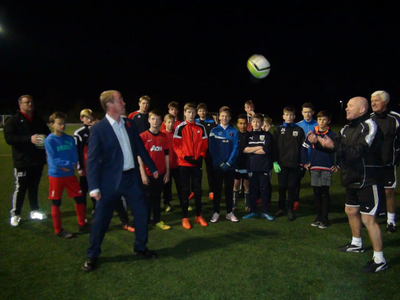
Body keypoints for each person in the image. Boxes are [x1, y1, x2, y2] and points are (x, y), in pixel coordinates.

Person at [309, 96, 387, 273]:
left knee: (368, 219)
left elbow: (358, 151)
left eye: (350, 106)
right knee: (351, 211)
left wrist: (334, 146)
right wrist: (319, 143)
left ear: (362, 109)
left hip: (367, 179)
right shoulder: (345, 128)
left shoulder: (369, 126)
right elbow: (336, 146)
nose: (346, 109)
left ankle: (380, 259)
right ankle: (356, 243)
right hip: (351, 179)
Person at [83, 90, 158, 272]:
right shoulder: (99, 129)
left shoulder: (130, 124)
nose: (124, 102)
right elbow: (91, 160)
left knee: (141, 214)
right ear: (110, 105)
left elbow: (140, 148)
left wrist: (152, 167)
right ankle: (92, 255)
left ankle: (141, 247)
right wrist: (93, 187)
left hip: (131, 179)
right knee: (101, 219)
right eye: (120, 100)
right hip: (109, 183)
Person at [4, 95, 50, 226]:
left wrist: (43, 140)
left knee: (34, 188)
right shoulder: (13, 121)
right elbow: (9, 138)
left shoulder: (38, 120)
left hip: (38, 160)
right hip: (22, 161)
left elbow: (47, 134)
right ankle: (15, 214)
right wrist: (29, 139)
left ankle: (34, 211)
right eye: (27, 102)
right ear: (20, 105)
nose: (30, 104)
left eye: (31, 102)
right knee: (21, 188)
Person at [44, 112, 89, 238]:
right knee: (56, 202)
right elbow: (53, 160)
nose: (62, 126)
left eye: (64, 123)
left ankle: (82, 224)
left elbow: (75, 155)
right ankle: (58, 230)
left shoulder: (69, 139)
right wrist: (69, 165)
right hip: (56, 175)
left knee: (79, 198)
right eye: (59, 123)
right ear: (52, 125)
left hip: (69, 175)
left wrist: (72, 164)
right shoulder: (49, 140)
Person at [173, 102, 208, 229]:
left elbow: (205, 145)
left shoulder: (201, 127)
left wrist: (200, 156)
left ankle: (198, 216)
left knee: (198, 191)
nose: (191, 114)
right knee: (185, 191)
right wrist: (185, 157)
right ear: (184, 113)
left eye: (193, 112)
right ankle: (185, 217)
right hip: (184, 164)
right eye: (189, 112)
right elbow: (175, 146)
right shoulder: (180, 127)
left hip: (197, 164)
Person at [301, 110, 338, 229]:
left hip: (327, 168)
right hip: (314, 167)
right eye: (320, 119)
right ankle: (318, 217)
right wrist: (305, 162)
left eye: (324, 120)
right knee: (316, 193)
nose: (322, 122)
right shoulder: (312, 134)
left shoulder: (333, 135)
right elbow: (303, 148)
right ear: (317, 121)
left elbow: (339, 152)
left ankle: (325, 218)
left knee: (325, 193)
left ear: (329, 121)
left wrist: (338, 165)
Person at [370, 90, 400, 233]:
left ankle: (391, 221)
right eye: (372, 101)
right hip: (372, 164)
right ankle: (372, 219)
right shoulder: (369, 119)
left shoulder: (395, 118)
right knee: (372, 192)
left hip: (388, 163)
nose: (373, 104)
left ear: (385, 101)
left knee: (388, 192)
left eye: (376, 100)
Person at [139, 109, 171, 230]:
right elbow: (140, 157)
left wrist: (167, 172)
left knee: (157, 198)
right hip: (147, 173)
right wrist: (142, 174)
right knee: (146, 199)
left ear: (161, 121)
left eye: (158, 119)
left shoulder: (164, 137)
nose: (155, 121)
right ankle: (146, 222)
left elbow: (166, 155)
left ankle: (157, 220)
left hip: (161, 173)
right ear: (148, 120)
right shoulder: (143, 136)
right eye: (153, 119)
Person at [273, 106, 305, 221]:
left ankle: (291, 210)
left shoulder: (299, 130)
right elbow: (274, 147)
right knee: (281, 187)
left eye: (291, 115)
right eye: (287, 115)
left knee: (292, 188)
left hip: (294, 165)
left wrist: (301, 162)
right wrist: (275, 161)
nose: (289, 117)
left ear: (294, 117)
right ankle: (281, 209)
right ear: (283, 116)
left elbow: (302, 148)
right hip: (281, 164)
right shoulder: (278, 130)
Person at [242, 113, 276, 220]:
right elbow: (244, 149)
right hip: (252, 167)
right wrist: (258, 147)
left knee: (264, 190)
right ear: (251, 123)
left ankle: (265, 211)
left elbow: (265, 151)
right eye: (254, 122)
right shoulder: (247, 136)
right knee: (253, 190)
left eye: (258, 122)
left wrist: (252, 149)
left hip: (264, 167)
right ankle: (253, 211)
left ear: (262, 123)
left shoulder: (267, 135)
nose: (256, 124)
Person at [208, 106, 239, 223]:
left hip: (230, 167)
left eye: (227, 116)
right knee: (217, 190)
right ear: (219, 117)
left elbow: (236, 148)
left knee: (229, 190)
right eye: (222, 116)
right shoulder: (214, 131)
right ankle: (216, 212)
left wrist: (229, 163)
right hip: (218, 166)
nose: (225, 118)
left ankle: (229, 212)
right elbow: (212, 149)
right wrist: (220, 162)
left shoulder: (234, 131)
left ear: (230, 118)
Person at [295, 102, 318, 211]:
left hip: (315, 159)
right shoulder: (297, 125)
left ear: (313, 112)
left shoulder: (318, 125)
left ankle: (317, 202)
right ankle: (295, 201)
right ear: (302, 113)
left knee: (316, 182)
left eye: (309, 112)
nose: (307, 114)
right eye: (305, 112)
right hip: (301, 159)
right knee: (296, 180)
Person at [74, 108, 96, 213]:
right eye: (87, 117)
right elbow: (77, 151)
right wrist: (79, 167)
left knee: (95, 189)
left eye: (90, 117)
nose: (89, 119)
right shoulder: (79, 133)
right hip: (84, 167)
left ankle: (96, 209)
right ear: (81, 118)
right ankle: (82, 211)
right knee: (83, 190)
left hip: (95, 168)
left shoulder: (96, 130)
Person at [161, 114, 183, 212]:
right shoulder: (162, 135)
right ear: (164, 123)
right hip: (166, 166)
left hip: (177, 164)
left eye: (172, 122)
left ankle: (183, 202)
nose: (170, 124)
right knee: (167, 186)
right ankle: (167, 203)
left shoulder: (177, 134)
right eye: (168, 122)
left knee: (180, 185)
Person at [196, 103, 217, 201]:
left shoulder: (212, 121)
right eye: (200, 111)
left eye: (203, 110)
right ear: (197, 112)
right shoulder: (195, 122)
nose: (202, 112)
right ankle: (195, 190)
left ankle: (211, 191)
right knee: (196, 171)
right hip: (198, 151)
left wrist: (216, 123)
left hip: (209, 150)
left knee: (210, 171)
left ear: (206, 111)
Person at [233, 114, 250, 210]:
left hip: (247, 164)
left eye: (244, 123)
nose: (243, 125)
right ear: (237, 124)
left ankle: (247, 204)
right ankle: (234, 204)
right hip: (237, 164)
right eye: (241, 123)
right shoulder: (235, 135)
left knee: (246, 185)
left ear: (247, 124)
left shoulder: (250, 136)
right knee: (236, 184)